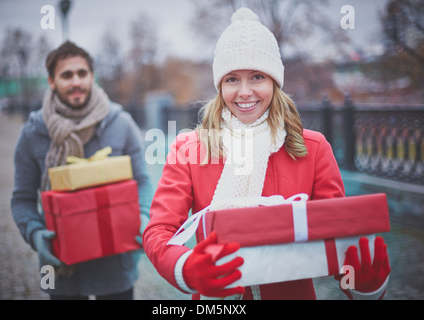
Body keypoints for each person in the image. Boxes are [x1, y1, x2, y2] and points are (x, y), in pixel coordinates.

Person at [143, 8, 390, 300]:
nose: (244, 91)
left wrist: (365, 286)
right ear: (220, 85)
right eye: (232, 79)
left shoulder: (313, 149)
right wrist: (186, 268)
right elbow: (159, 231)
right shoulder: (188, 150)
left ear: (274, 81)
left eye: (257, 76)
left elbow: (335, 242)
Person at [11, 41, 152, 300]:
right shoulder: (32, 132)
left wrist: (142, 216)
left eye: (82, 73)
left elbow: (142, 180)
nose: (76, 81)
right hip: (60, 264)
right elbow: (21, 198)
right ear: (52, 81)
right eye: (66, 75)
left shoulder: (121, 123)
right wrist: (35, 234)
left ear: (92, 76)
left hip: (115, 264)